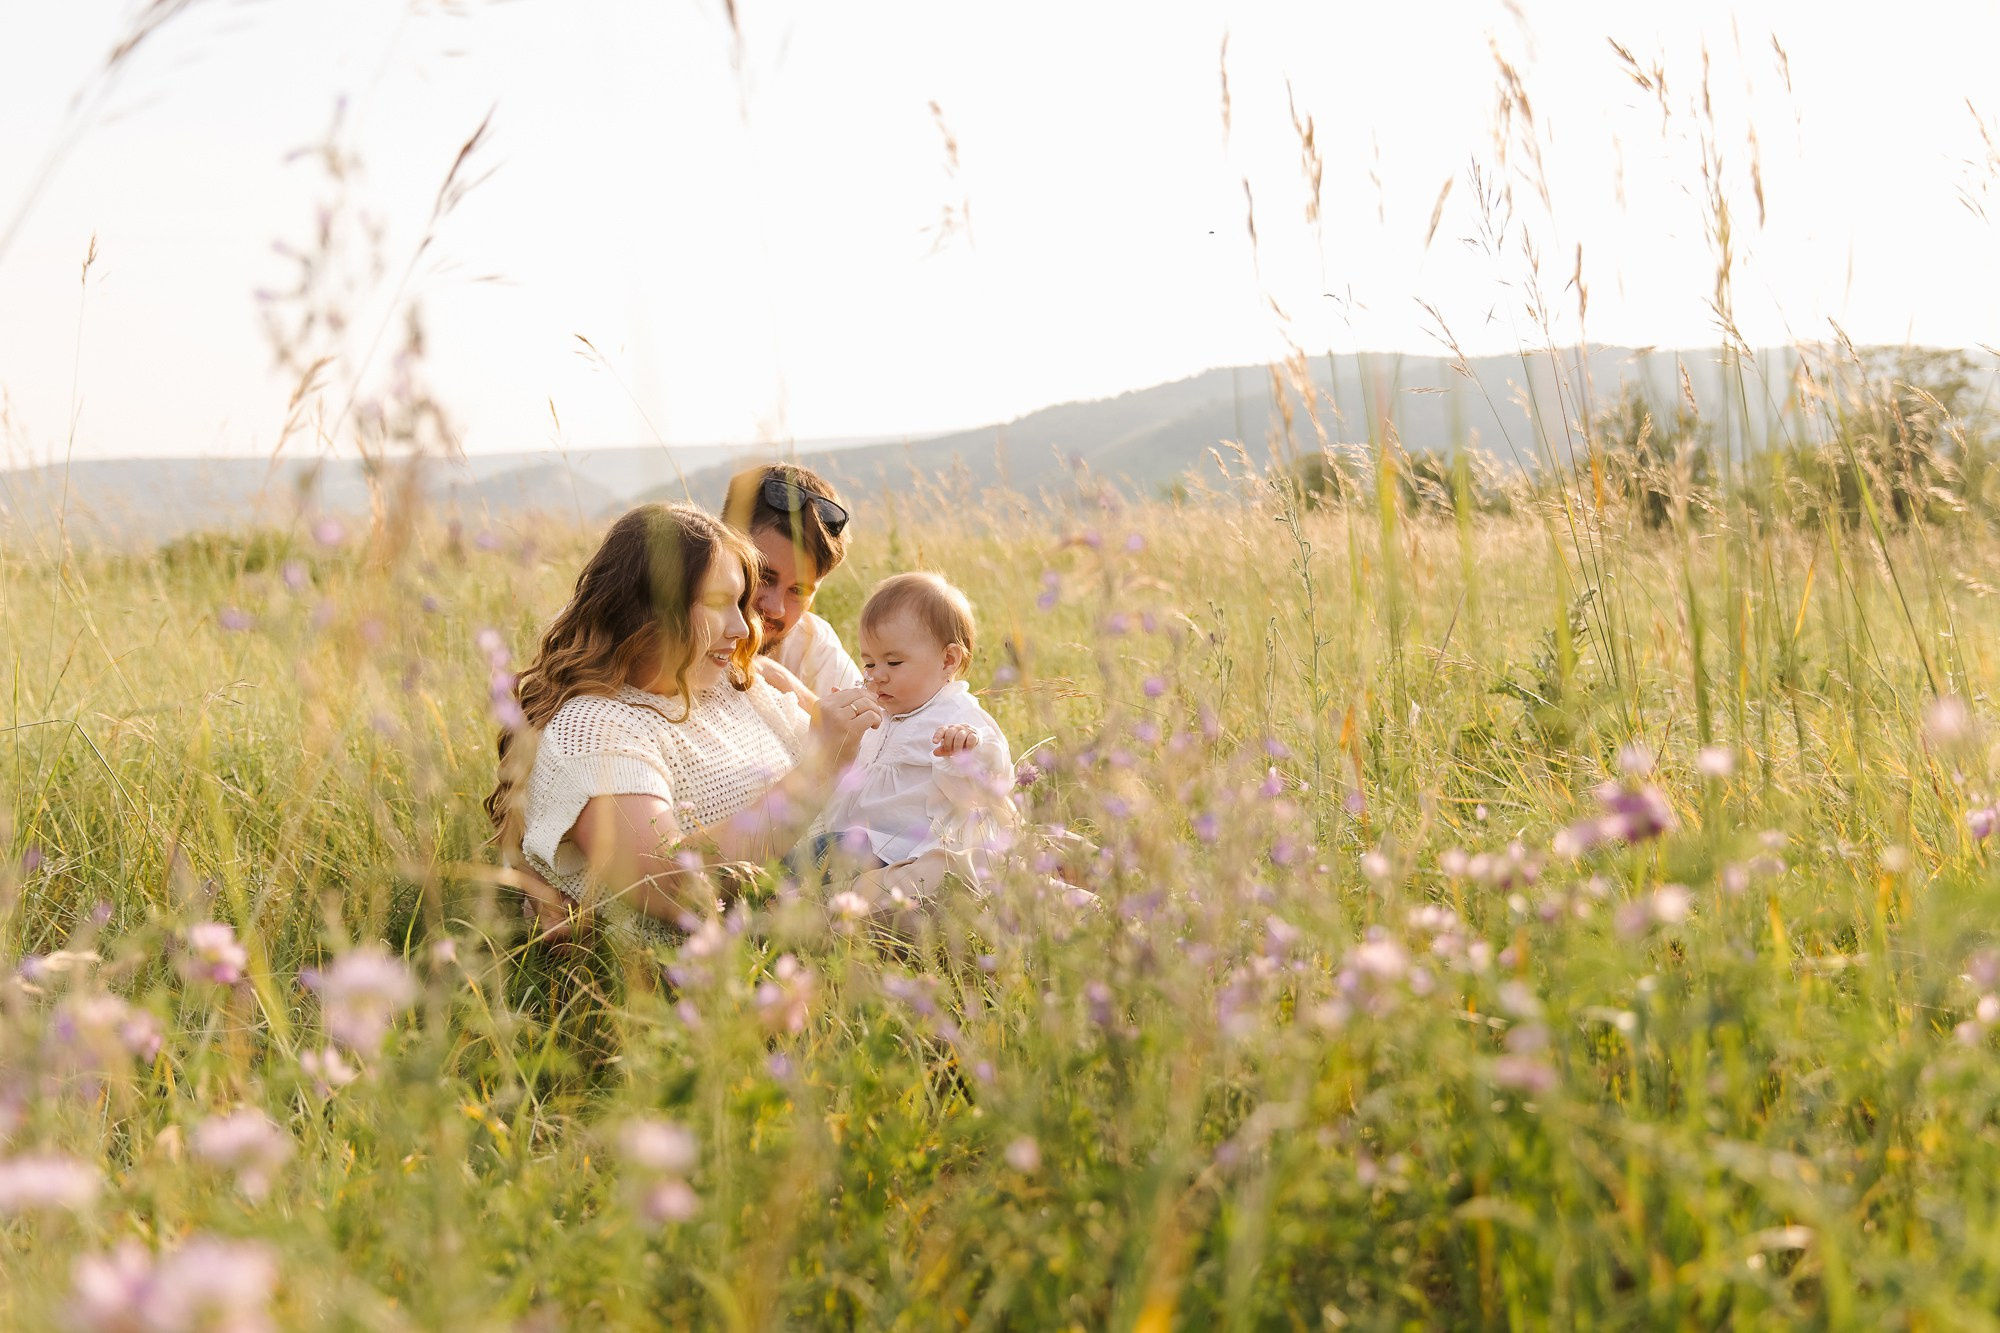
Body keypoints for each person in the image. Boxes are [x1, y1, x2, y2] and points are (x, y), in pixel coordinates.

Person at [485, 503, 883, 935]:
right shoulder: (594, 727)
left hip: (854, 874)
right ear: (650, 607)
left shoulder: (732, 680)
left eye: (739, 603)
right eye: (717, 603)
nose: (742, 628)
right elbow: (672, 884)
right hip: (750, 949)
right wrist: (820, 767)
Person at [822, 572, 1016, 902]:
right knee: (822, 853)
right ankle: (786, 896)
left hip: (909, 851)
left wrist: (966, 750)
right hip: (866, 840)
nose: (876, 676)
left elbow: (993, 779)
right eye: (869, 663)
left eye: (893, 662)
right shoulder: (884, 712)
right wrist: (842, 735)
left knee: (825, 854)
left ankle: (779, 897)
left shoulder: (957, 715)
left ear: (948, 660)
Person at [721, 462, 864, 702]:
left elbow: (864, 725)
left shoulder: (814, 647)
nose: (775, 608)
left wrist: (783, 683)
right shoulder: (666, 633)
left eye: (797, 590)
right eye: (763, 576)